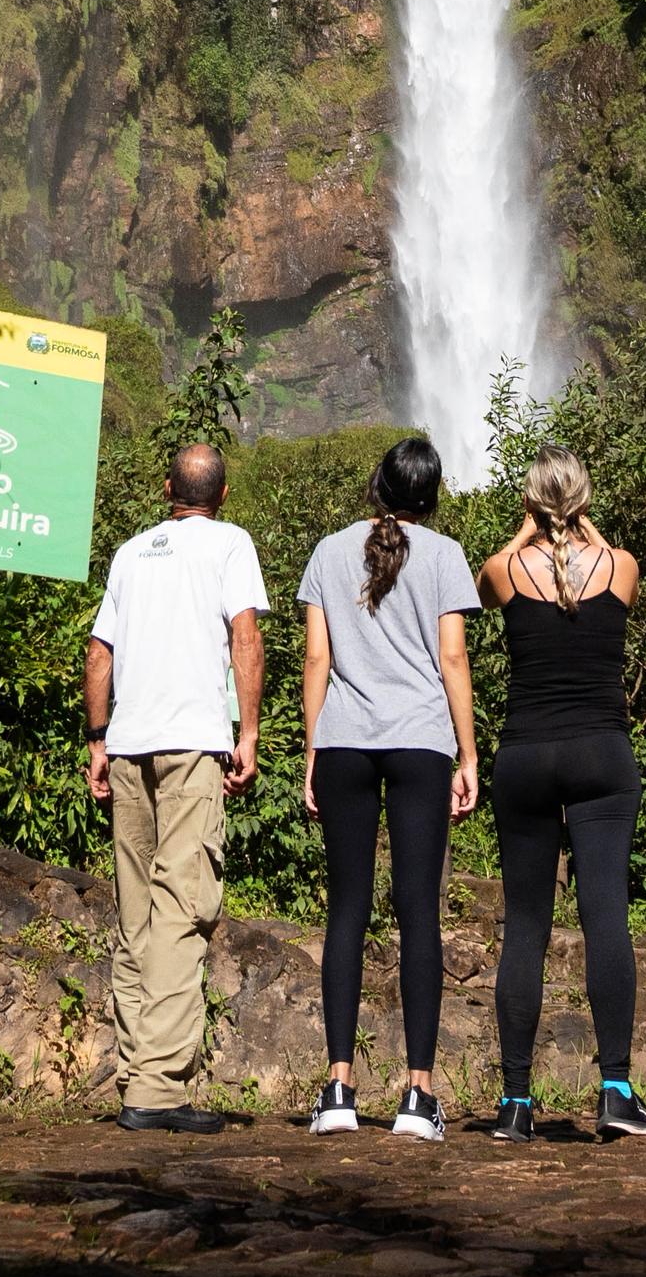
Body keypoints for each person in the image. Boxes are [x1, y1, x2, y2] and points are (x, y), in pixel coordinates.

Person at [293, 434, 480, 1143]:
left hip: (343, 737)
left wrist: (311, 747)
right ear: (431, 495)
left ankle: (338, 1088)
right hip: (420, 740)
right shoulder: (446, 555)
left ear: (376, 485)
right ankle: (417, 1096)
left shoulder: (328, 551)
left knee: (346, 909)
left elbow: (317, 656)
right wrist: (467, 752)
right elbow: (453, 656)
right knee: (417, 911)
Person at [477, 448, 646, 1143]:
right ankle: (614, 1089)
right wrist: (582, 528)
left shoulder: (506, 569)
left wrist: (526, 535)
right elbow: (609, 557)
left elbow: (482, 581)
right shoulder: (621, 566)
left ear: (529, 503)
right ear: (585, 502)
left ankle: (516, 1103)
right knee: (606, 917)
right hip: (600, 754)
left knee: (525, 925)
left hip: (524, 755)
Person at [84, 439, 268, 1133]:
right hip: (192, 743)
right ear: (222, 496)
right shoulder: (229, 544)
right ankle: (159, 1089)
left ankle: (137, 1075)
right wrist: (246, 732)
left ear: (169, 491)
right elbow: (243, 636)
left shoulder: (131, 553)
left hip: (128, 744)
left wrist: (97, 739)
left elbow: (100, 651)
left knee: (137, 910)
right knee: (182, 906)